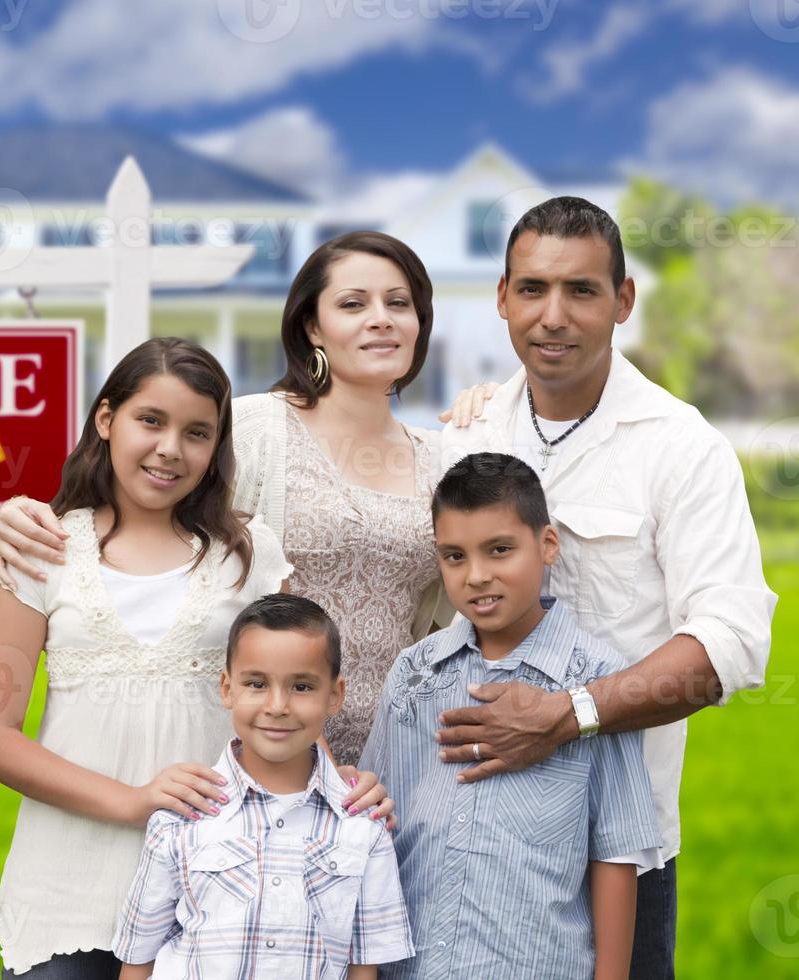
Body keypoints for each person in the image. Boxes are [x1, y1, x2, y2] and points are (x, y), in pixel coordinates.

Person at [0, 338, 389, 978]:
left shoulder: (247, 555)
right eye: (150, 421)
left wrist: (347, 792)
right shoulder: (44, 546)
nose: (170, 449)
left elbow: (285, 701)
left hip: (216, 891)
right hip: (67, 887)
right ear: (107, 421)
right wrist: (132, 800)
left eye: (197, 433)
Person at [431, 197, 777, 978]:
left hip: (616, 848)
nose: (553, 316)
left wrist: (567, 716)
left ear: (623, 301)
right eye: (532, 289)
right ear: (502, 298)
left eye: (581, 290)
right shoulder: (467, 436)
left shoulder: (682, 448)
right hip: (467, 836)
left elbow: (732, 642)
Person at [0, 231, 449, 768]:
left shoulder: (445, 457)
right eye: (353, 304)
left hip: (397, 758)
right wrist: (27, 513)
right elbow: (150, 508)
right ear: (312, 327)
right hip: (249, 758)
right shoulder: (255, 429)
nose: (381, 319)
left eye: (399, 303)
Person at [361, 452, 662, 979]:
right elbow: (373, 827)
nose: (477, 576)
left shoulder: (597, 680)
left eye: (499, 550)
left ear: (547, 545)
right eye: (454, 557)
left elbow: (615, 853)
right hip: (413, 964)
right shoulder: (414, 673)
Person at [113, 594, 414, 979]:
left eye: (302, 687)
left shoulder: (364, 826)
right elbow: (138, 959)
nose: (277, 706)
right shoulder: (181, 818)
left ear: (334, 695)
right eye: (256, 683)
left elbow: (363, 968)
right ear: (227, 689)